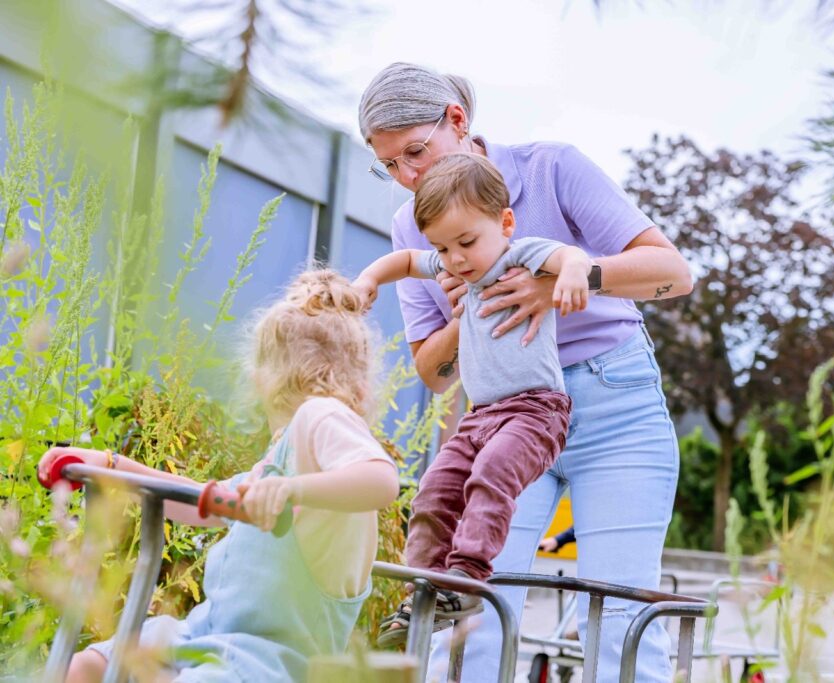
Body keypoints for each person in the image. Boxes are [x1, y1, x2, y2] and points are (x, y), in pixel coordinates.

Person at [358, 62, 693, 681]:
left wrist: (563, 281)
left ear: (456, 121)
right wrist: (472, 313)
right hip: (501, 421)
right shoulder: (413, 226)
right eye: (391, 166)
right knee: (470, 615)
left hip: (614, 405)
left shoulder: (549, 168)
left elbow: (673, 271)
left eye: (415, 152)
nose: (407, 177)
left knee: (622, 620)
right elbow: (433, 372)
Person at [38, 270, 400, 683]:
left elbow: (381, 481)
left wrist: (290, 489)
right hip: (205, 635)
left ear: (274, 371)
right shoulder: (277, 463)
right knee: (89, 666)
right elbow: (198, 504)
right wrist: (109, 465)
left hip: (269, 661)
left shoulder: (321, 416)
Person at [351, 152, 589, 645]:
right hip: (481, 416)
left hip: (535, 410)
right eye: (443, 247)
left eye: (466, 242)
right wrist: (368, 279)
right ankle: (424, 589)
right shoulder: (453, 261)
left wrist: (569, 275)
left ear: (504, 223)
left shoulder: (519, 253)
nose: (456, 260)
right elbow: (405, 260)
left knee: (492, 474)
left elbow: (572, 256)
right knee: (434, 491)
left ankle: (466, 580)